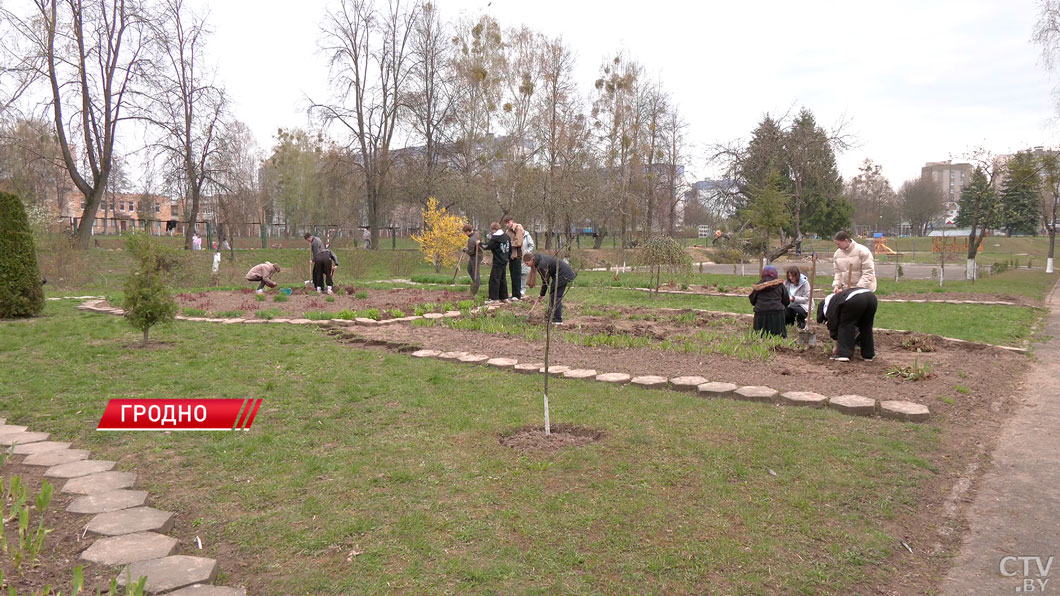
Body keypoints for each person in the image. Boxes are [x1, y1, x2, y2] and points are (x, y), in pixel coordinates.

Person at [816, 287, 878, 362]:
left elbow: (833, 326)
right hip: (871, 297)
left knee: (846, 325)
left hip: (856, 299)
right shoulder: (836, 298)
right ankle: (868, 355)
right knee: (866, 326)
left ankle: (844, 354)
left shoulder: (828, 307)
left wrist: (836, 347)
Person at [524, 252, 577, 324]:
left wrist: (542, 294)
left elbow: (546, 281)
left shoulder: (541, 265)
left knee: (556, 296)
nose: (526, 265)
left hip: (564, 274)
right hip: (558, 274)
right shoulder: (538, 260)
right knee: (553, 294)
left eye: (527, 263)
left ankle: (557, 319)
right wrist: (542, 294)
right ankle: (550, 316)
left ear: (532, 260)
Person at [749, 265, 789, 338]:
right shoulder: (780, 286)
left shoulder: (758, 286)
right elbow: (786, 301)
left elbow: (752, 300)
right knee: (779, 337)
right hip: (777, 314)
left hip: (761, 314)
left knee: (760, 336)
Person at [482, 223, 510, 302]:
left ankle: (494, 298)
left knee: (494, 279)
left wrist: (479, 244)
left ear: (494, 229)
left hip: (498, 261)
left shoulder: (495, 238)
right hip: (505, 260)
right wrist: (507, 258)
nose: (492, 232)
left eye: (492, 230)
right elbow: (510, 249)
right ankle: (504, 297)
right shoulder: (506, 236)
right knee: (502, 279)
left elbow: (487, 246)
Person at [502, 215, 525, 300]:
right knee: (512, 275)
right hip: (511, 255)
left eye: (509, 222)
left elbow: (518, 242)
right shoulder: (508, 231)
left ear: (512, 221)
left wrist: (509, 244)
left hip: (517, 255)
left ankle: (517, 295)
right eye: (506, 223)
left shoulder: (517, 228)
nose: (507, 224)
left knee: (516, 276)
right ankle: (514, 294)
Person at [462, 224, 482, 296]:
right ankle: (475, 282)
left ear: (468, 231)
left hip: (476, 257)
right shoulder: (476, 234)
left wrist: (465, 250)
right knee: (469, 269)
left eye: (465, 232)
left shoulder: (471, 239)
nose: (465, 234)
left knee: (475, 272)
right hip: (478, 255)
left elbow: (470, 252)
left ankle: (475, 287)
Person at [520, 230, 535, 297]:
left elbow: (532, 245)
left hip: (526, 257)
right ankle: (516, 291)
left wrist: (526, 252)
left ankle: (522, 291)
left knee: (524, 274)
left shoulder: (527, 236)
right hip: (517, 258)